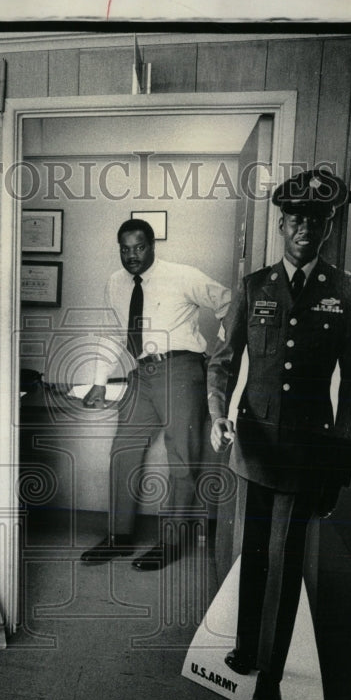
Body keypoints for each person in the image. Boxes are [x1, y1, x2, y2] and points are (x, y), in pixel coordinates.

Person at [207, 169, 351, 700]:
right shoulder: (254, 286)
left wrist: (341, 465)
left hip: (307, 453)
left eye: (318, 221)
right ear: (281, 223)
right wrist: (217, 412)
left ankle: (271, 678)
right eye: (297, 218)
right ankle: (246, 648)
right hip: (255, 445)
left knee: (285, 562)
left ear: (328, 229)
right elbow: (225, 359)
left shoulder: (350, 292)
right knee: (252, 554)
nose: (306, 229)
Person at [80, 219, 231, 571]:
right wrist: (99, 380)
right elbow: (112, 333)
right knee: (123, 452)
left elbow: (229, 304)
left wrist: (223, 355)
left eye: (139, 247)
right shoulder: (115, 284)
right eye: (125, 249)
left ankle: (172, 542)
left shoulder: (183, 275)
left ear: (152, 246)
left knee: (182, 458)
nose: (132, 255)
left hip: (181, 370)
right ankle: (119, 538)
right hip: (140, 374)